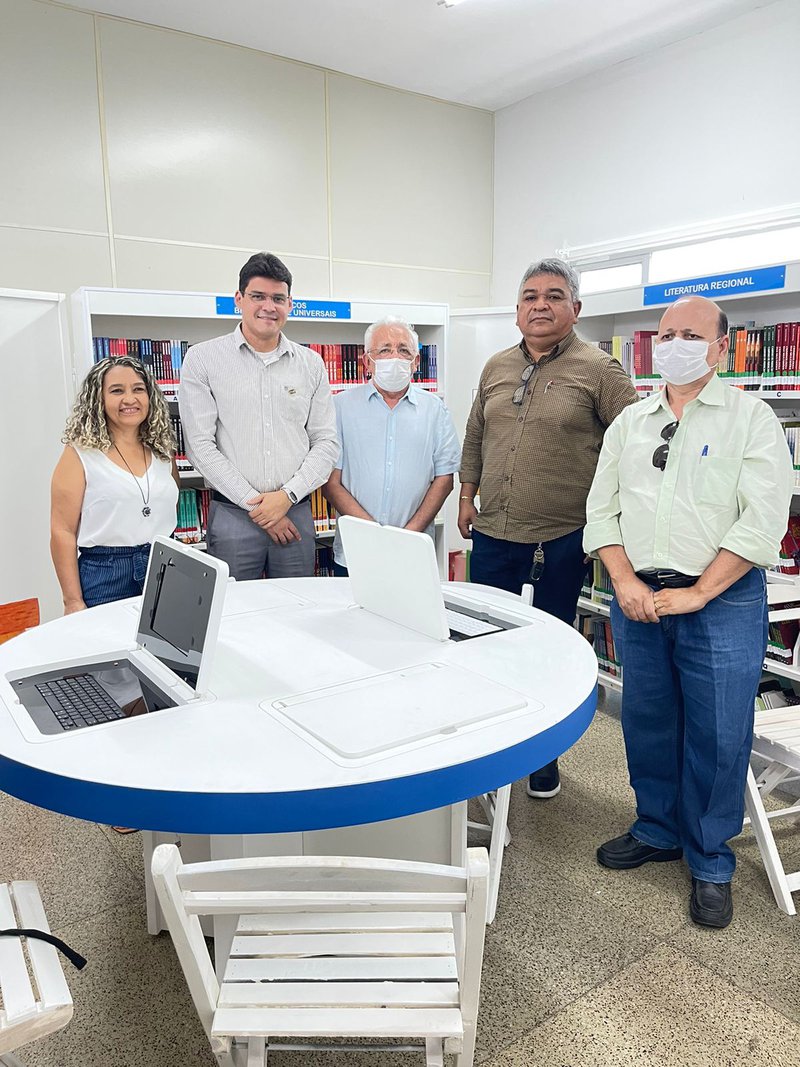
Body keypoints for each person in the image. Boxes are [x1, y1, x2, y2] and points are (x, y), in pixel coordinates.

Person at [584, 294, 793, 929]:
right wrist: (622, 582)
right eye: (666, 334)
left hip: (719, 601)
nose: (674, 344)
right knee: (648, 720)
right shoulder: (632, 422)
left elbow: (763, 523)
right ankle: (656, 828)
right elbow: (602, 510)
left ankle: (709, 858)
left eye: (690, 335)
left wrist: (700, 592)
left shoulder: (751, 420)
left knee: (718, 731)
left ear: (721, 348)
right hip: (639, 599)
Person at [458, 257, 637, 799]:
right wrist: (466, 496)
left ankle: (542, 754)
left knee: (548, 646)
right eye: (530, 296)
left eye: (554, 296)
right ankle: (491, 740)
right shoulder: (494, 367)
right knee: (484, 641)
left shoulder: (600, 370)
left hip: (559, 536)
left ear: (575, 309)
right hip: (492, 531)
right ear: (517, 311)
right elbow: (473, 437)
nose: (541, 304)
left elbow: (630, 445)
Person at [179, 252, 338, 580]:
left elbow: (325, 443)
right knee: (232, 616)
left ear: (290, 304)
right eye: (258, 296)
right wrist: (261, 508)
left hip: (296, 511)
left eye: (278, 298)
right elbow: (199, 446)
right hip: (233, 515)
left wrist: (286, 497)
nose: (269, 306)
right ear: (239, 299)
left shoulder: (311, 364)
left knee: (297, 613)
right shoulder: (203, 359)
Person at [322, 316, 460, 574]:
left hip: (413, 550)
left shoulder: (436, 410)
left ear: (416, 362)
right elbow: (331, 483)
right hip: (357, 550)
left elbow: (444, 480)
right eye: (384, 349)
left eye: (404, 350)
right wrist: (374, 534)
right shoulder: (339, 408)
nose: (395, 357)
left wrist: (407, 536)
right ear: (367, 362)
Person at [50, 356, 180, 613]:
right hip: (106, 573)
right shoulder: (80, 454)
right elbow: (62, 532)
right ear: (98, 400)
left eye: (138, 389)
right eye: (117, 390)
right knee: (107, 651)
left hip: (166, 566)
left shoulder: (163, 451)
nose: (129, 399)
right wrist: (72, 600)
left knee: (165, 651)